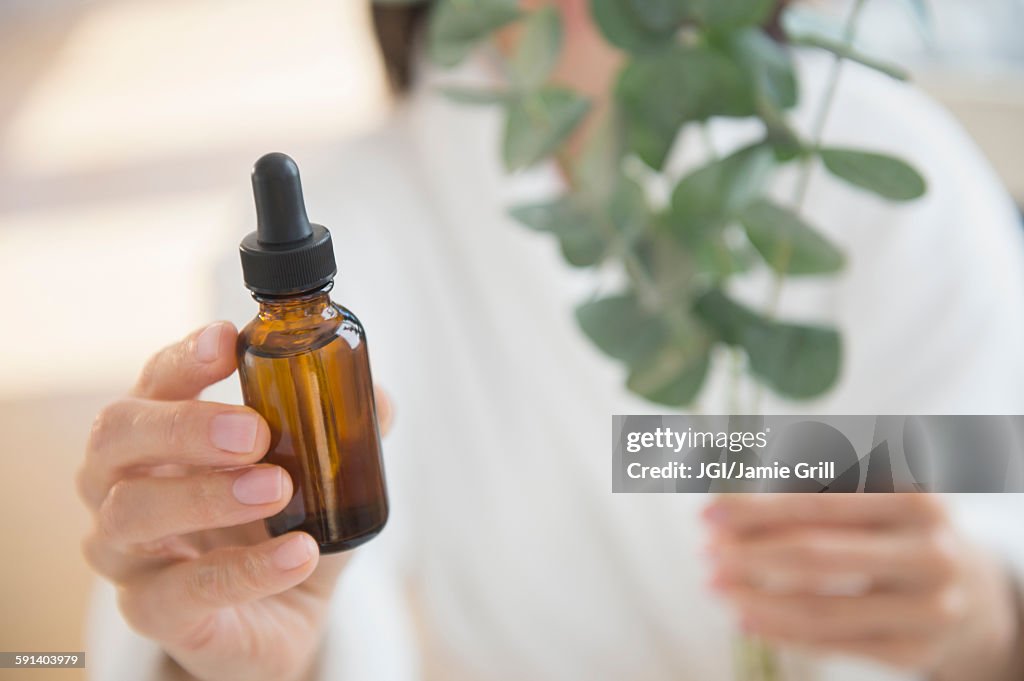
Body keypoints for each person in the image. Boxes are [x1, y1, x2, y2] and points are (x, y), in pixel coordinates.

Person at [79, 2, 1024, 680]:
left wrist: (989, 622)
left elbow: (992, 484)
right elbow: (291, 610)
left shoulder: (892, 162)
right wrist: (242, 660)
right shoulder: (353, 251)